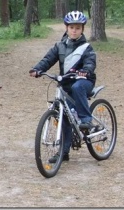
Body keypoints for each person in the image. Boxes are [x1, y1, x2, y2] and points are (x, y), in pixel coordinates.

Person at [29, 10, 96, 163]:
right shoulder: (59, 46)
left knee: (78, 87)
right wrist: (37, 69)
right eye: (72, 27)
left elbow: (90, 62)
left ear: (82, 29)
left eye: (78, 28)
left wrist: (85, 71)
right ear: (66, 28)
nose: (74, 30)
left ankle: (86, 119)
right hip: (66, 82)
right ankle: (63, 152)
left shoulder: (87, 47)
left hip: (84, 82)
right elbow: (48, 59)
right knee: (63, 116)